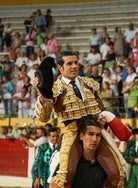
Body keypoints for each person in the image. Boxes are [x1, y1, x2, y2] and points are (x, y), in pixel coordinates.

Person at [34, 51, 132, 188]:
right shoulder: (55, 88)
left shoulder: (89, 83)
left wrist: (105, 119)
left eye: (75, 63)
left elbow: (101, 108)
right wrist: (44, 94)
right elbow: (44, 117)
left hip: (94, 131)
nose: (74, 66)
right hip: (73, 133)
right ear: (60, 68)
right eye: (69, 64)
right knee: (66, 175)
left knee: (117, 174)